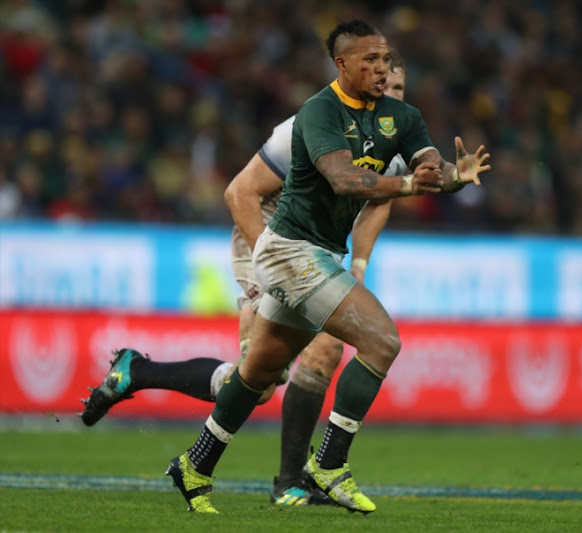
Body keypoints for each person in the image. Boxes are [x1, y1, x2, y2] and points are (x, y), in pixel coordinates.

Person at [165, 19, 490, 515]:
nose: (381, 69)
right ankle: (329, 464)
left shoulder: (402, 116)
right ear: (342, 65)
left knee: (259, 372)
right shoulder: (319, 111)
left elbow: (429, 166)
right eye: (370, 61)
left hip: (318, 253)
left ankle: (194, 465)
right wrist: (408, 187)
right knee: (382, 340)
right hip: (288, 248)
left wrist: (454, 176)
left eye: (385, 60)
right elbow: (343, 178)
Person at [80, 53, 411, 506]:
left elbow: (379, 202)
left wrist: (359, 264)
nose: (389, 96)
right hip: (270, 235)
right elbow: (240, 192)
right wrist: (269, 265)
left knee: (257, 378)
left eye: (398, 90)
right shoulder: (313, 125)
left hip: (313, 251)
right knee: (299, 359)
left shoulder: (393, 145)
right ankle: (295, 478)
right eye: (383, 85)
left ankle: (138, 374)